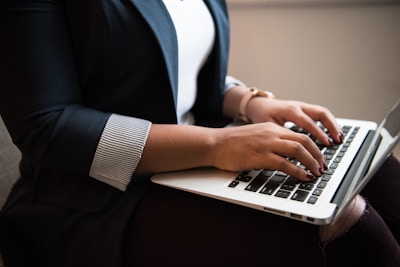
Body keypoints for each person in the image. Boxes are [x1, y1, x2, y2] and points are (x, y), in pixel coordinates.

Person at [0, 0, 399, 266]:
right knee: (353, 227)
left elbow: (177, 69)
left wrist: (251, 103)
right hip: (90, 198)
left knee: (380, 173)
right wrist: (218, 144)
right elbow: (46, 125)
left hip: (196, 164)